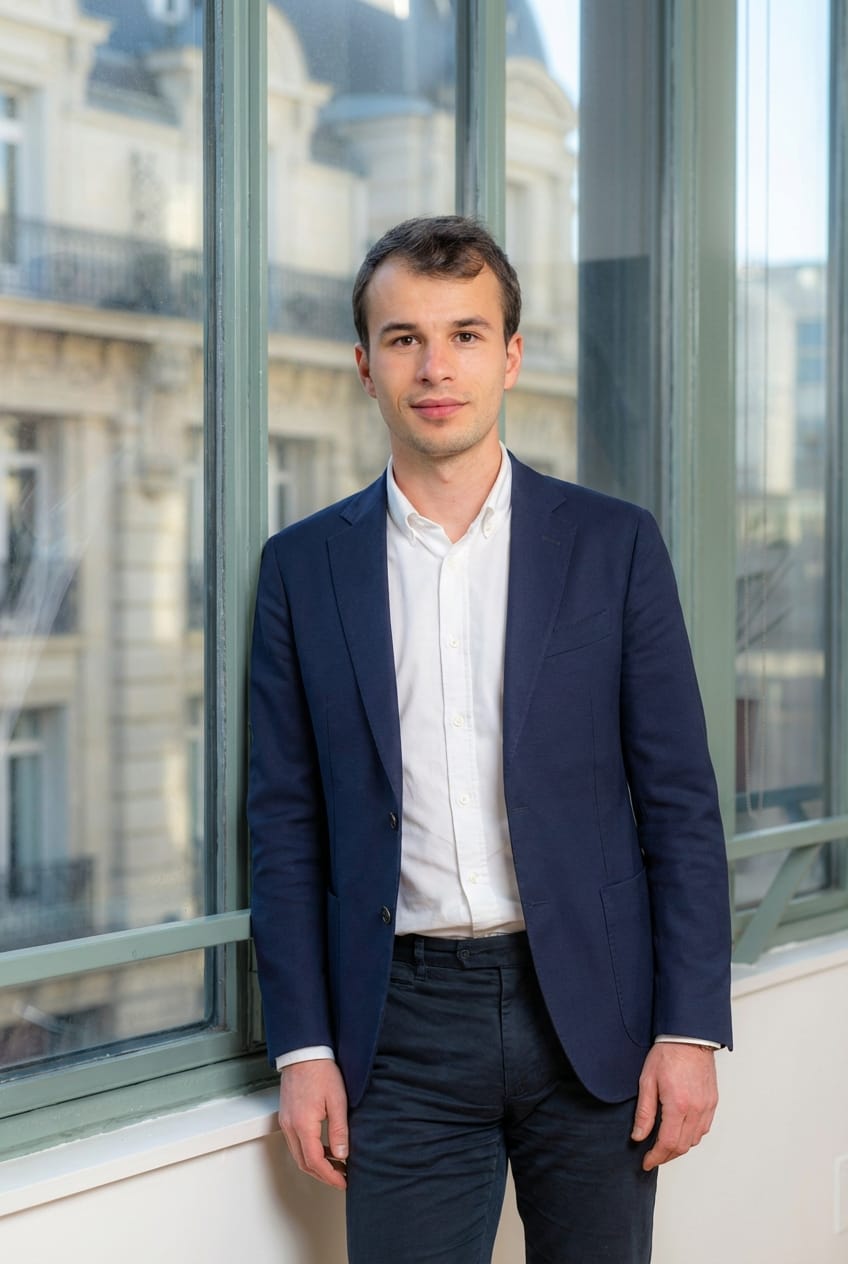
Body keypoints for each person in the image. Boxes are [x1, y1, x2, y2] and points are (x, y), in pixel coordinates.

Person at [248, 215, 732, 1263]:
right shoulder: (299, 567)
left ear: (509, 356)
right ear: (363, 364)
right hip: (398, 1028)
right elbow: (284, 823)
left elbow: (680, 803)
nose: (435, 367)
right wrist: (302, 1046)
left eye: (465, 335)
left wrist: (687, 1029)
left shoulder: (612, 546)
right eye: (403, 337)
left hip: (591, 1013)